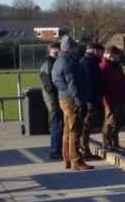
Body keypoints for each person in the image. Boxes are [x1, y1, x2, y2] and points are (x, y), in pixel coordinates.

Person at [51, 36, 93, 171]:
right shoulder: (69, 63)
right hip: (72, 99)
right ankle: (76, 160)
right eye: (75, 46)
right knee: (75, 130)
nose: (77, 48)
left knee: (67, 130)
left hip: (63, 98)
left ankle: (67, 159)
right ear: (69, 48)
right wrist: (81, 103)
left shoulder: (58, 61)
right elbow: (73, 85)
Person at [99, 46, 125, 151]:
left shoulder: (116, 66)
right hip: (111, 99)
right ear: (110, 55)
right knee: (109, 121)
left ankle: (115, 142)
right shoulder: (104, 67)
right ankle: (107, 142)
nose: (119, 57)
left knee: (118, 122)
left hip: (121, 98)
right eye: (117, 55)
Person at [78, 42, 105, 159]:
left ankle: (85, 148)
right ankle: (84, 150)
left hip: (93, 97)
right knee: (86, 125)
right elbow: (87, 82)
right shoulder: (87, 62)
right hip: (90, 99)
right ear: (95, 50)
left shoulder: (91, 62)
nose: (102, 54)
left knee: (88, 125)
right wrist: (88, 100)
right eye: (101, 51)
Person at [39, 43, 62, 160]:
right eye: (56, 53)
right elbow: (48, 86)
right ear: (50, 52)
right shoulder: (47, 65)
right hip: (53, 100)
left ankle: (58, 149)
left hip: (56, 98)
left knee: (58, 124)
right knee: (56, 125)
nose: (58, 55)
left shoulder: (53, 63)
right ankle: (55, 150)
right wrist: (54, 101)